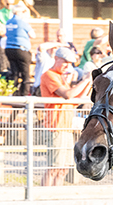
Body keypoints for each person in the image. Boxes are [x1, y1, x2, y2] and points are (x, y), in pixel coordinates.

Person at [40, 47, 92, 187]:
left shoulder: (61, 77)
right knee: (54, 167)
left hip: (66, 126)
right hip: (55, 126)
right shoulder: (49, 75)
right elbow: (67, 95)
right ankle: (45, 195)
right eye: (65, 63)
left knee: (64, 168)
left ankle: (56, 194)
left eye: (70, 64)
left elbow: (75, 101)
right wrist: (84, 81)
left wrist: (89, 82)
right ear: (56, 59)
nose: (67, 67)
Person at [4, 2, 35, 95]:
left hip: (9, 49)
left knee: (14, 73)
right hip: (21, 49)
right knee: (26, 74)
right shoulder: (22, 22)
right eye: (24, 11)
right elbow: (33, 35)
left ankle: (12, 93)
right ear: (19, 12)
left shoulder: (8, 22)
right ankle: (25, 95)